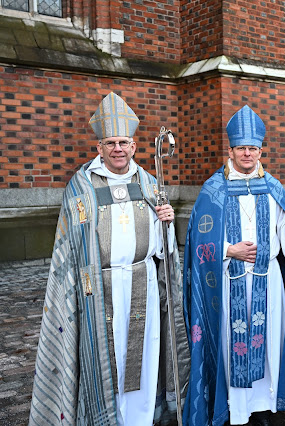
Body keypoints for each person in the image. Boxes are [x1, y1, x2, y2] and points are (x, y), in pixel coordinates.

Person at [29, 92, 190, 425]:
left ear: (133, 146)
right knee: (107, 359)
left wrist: (166, 224)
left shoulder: (149, 182)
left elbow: (164, 251)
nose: (118, 148)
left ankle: (141, 419)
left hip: (142, 282)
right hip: (97, 290)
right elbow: (69, 244)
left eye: (124, 142)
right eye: (111, 143)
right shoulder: (81, 187)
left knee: (143, 356)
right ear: (98, 148)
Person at [182, 105, 285, 426]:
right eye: (242, 148)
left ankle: (264, 404)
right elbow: (200, 240)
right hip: (231, 280)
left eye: (253, 148)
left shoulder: (276, 188)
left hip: (268, 281)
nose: (247, 154)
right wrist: (230, 250)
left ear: (261, 150)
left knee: (269, 345)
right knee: (232, 342)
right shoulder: (214, 189)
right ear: (232, 150)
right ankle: (237, 409)